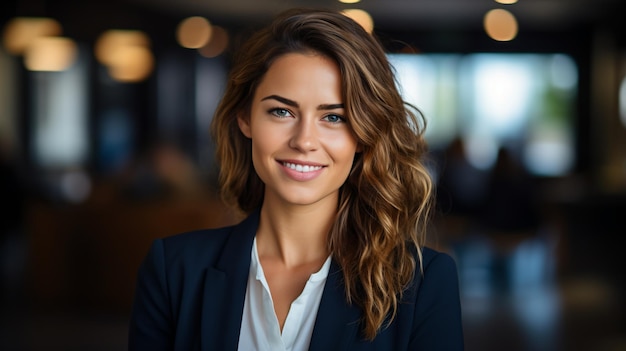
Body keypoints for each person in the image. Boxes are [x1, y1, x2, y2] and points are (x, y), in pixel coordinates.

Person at [129, 7, 464, 350]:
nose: (304, 141)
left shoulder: (423, 284)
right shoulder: (174, 270)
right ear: (245, 117)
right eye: (282, 111)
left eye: (334, 117)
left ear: (364, 134)